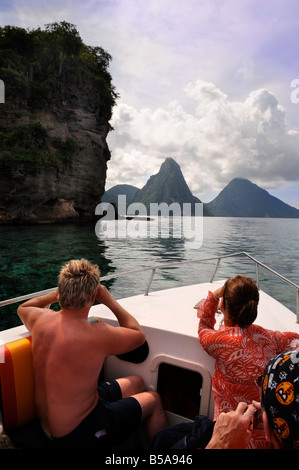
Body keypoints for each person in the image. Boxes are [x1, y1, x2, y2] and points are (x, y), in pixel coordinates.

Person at [17, 259, 168, 448]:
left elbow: (22, 307)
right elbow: (138, 336)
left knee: (137, 382)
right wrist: (109, 300)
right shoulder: (97, 334)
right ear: (93, 297)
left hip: (47, 424)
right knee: (154, 400)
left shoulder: (39, 319)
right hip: (77, 432)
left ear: (62, 291)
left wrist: (57, 294)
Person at [196, 275, 299, 448]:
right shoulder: (269, 337)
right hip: (266, 439)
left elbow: (204, 325)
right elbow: (294, 342)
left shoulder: (218, 341)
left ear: (223, 305)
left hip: (230, 436)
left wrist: (215, 295)